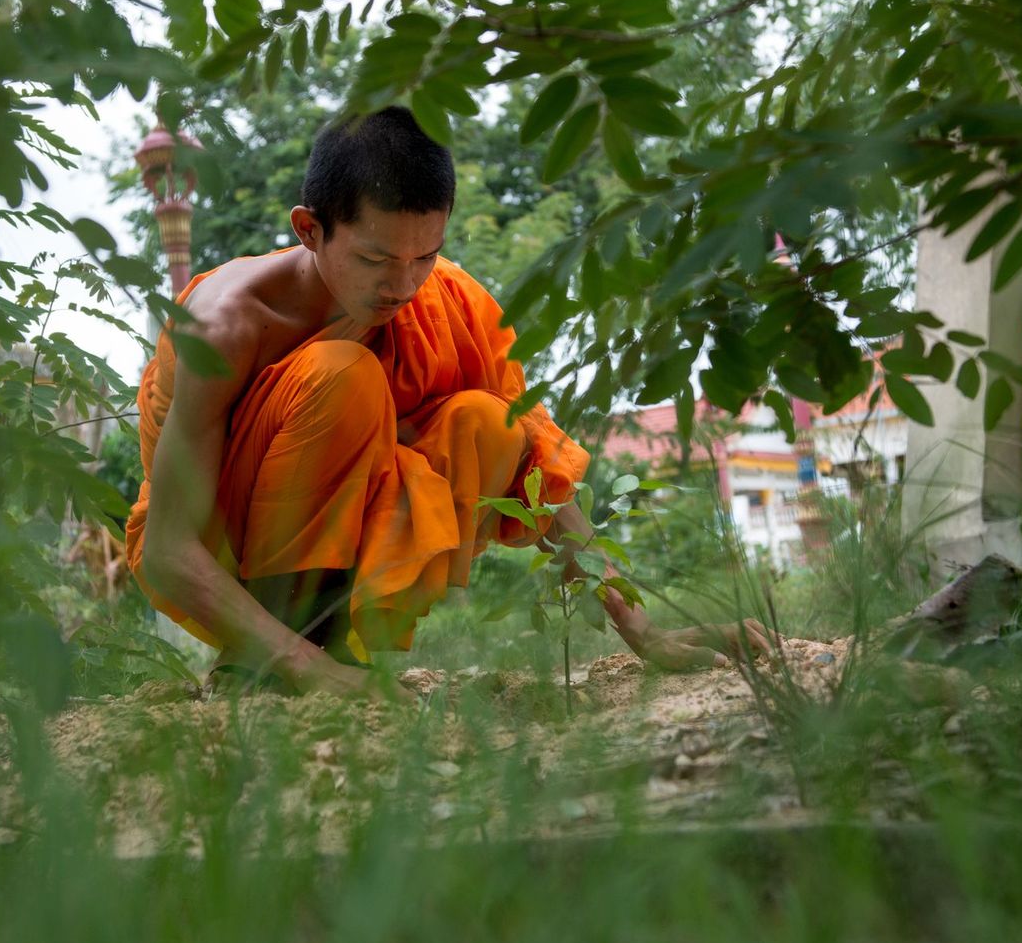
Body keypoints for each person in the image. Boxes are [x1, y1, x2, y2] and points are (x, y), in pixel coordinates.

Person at [125, 107, 774, 699]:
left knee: (490, 424)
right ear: (309, 229)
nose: (402, 286)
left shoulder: (447, 297)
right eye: (376, 257)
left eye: (423, 256)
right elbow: (168, 550)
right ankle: (273, 663)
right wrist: (309, 673)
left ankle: (347, 649)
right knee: (340, 373)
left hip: (342, 533)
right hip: (230, 546)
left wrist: (647, 633)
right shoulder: (225, 325)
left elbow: (539, 467)